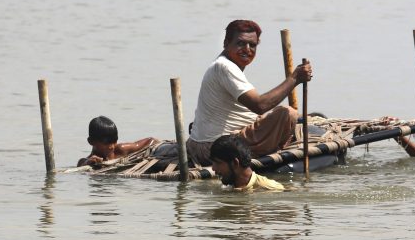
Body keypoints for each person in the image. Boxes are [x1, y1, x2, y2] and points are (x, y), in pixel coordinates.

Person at [186, 19, 312, 166]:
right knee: (287, 113)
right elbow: (260, 105)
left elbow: (253, 110)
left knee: (294, 117)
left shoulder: (225, 66)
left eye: (252, 45)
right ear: (226, 43)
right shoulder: (225, 67)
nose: (247, 49)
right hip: (217, 148)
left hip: (210, 143)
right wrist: (294, 78)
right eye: (240, 43)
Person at [77, 116, 160, 168]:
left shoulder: (120, 150)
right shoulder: (85, 161)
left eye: (114, 141)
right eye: (106, 143)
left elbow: (151, 141)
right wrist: (88, 163)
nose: (112, 146)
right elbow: (81, 166)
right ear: (91, 142)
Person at [210, 134, 285, 191]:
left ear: (235, 163)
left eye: (218, 163)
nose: (213, 168)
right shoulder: (228, 187)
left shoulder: (271, 189)